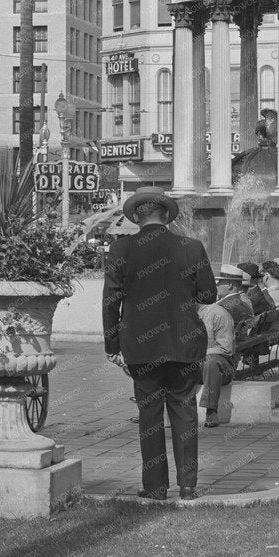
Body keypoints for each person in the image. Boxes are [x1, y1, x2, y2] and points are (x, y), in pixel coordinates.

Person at [102, 188, 215, 501]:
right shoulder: (191, 247)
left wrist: (112, 344)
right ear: (166, 215)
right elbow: (208, 295)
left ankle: (155, 486)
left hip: (141, 346)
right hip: (184, 343)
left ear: (137, 218)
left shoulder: (121, 249)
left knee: (150, 417)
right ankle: (189, 486)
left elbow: (111, 301)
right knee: (185, 411)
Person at [198, 270, 240, 428]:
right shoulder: (182, 315)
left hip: (222, 367)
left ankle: (211, 410)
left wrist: (197, 355)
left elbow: (226, 348)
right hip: (194, 366)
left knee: (210, 362)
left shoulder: (218, 314)